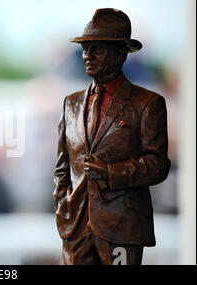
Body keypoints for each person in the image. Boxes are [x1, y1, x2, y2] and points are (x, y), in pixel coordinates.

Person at [53, 8, 170, 265]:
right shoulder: (70, 104)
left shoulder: (147, 103)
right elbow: (63, 168)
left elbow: (157, 165)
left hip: (122, 227)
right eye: (85, 48)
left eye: (98, 49)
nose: (88, 56)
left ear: (120, 54)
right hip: (76, 228)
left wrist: (110, 172)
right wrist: (64, 207)